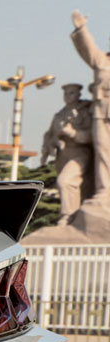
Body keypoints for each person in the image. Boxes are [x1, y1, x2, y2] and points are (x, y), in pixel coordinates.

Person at [72, 9, 110, 200]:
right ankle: (105, 190)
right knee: (103, 150)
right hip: (101, 113)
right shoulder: (102, 61)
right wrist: (81, 29)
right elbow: (88, 49)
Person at [44, 83, 96, 219]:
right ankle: (75, 217)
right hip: (63, 155)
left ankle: (67, 216)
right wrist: (51, 144)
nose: (67, 96)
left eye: (71, 93)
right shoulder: (59, 115)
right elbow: (49, 134)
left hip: (80, 153)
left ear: (79, 94)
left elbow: (93, 135)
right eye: (66, 93)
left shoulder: (85, 112)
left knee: (65, 181)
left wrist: (73, 133)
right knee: (74, 188)